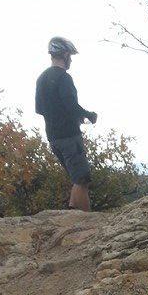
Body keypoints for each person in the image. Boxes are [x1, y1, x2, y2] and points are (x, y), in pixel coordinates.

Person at [35, 37, 97, 211]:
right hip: (69, 136)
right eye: (70, 55)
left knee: (76, 177)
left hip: (53, 138)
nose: (70, 60)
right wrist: (88, 115)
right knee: (82, 179)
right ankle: (88, 222)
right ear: (65, 54)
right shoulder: (63, 77)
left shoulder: (41, 79)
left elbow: (40, 109)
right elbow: (71, 105)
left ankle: (71, 213)